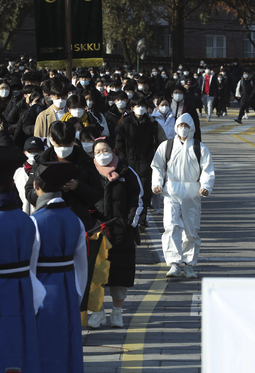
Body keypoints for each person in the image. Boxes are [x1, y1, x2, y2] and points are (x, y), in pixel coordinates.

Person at [0, 146, 45, 373]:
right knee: (23, 349)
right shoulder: (27, 220)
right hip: (23, 292)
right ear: (13, 185)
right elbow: (33, 264)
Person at [30, 162, 87, 373]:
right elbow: (82, 262)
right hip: (69, 288)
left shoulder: (35, 221)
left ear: (36, 186)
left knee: (45, 342)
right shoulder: (75, 220)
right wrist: (78, 292)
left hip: (43, 290)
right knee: (68, 340)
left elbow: (31, 263)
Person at [151, 113, 215, 278]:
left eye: (187, 126)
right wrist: (157, 184)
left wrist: (205, 186)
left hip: (192, 192)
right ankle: (173, 263)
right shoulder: (167, 146)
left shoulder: (199, 148)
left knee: (191, 229)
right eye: (181, 125)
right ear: (176, 127)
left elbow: (207, 170)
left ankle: (189, 264)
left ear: (192, 128)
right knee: (171, 226)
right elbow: (157, 166)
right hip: (171, 191)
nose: (183, 129)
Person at [88, 137, 143, 328]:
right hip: (96, 233)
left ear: (113, 151)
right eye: (97, 152)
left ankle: (117, 312)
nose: (102, 155)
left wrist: (129, 224)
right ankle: (99, 311)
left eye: (105, 150)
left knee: (120, 275)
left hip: (121, 233)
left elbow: (137, 199)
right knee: (96, 274)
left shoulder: (126, 172)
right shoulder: (88, 174)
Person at [26, 120, 103, 231]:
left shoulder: (85, 162)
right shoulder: (41, 161)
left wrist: (78, 186)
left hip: (79, 223)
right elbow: (29, 193)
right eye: (59, 145)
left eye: (67, 145)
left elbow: (98, 194)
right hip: (48, 223)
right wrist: (44, 189)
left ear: (74, 140)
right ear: (51, 139)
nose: (63, 149)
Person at [116, 97, 167, 228]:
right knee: (130, 192)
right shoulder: (125, 123)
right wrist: (123, 159)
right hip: (129, 163)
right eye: (137, 105)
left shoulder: (152, 123)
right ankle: (131, 219)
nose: (140, 108)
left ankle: (142, 220)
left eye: (143, 105)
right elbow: (119, 143)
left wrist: (158, 157)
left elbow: (162, 141)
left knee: (145, 193)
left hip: (147, 163)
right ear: (132, 108)